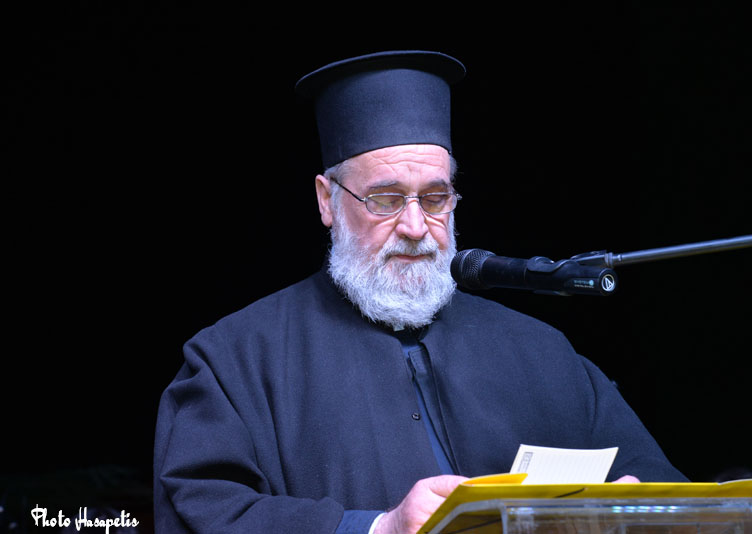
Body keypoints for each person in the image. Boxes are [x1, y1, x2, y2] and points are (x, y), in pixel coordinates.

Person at [153, 50, 687, 534]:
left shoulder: (544, 351)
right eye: (385, 200)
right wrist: (376, 529)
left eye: (434, 198)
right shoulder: (234, 360)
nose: (414, 226)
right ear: (326, 200)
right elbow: (202, 510)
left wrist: (640, 511)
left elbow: (669, 492)